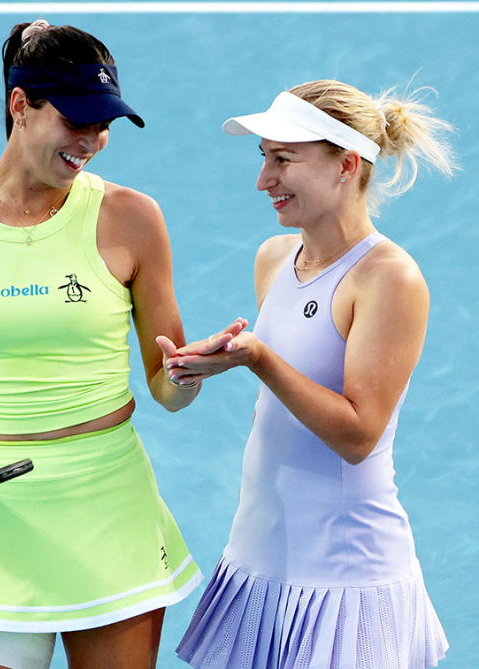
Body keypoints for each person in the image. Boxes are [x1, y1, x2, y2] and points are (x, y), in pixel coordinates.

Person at [0, 19, 242, 669]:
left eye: (104, 123)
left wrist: (189, 372)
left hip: (109, 516)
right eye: (77, 119)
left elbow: (166, 385)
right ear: (21, 105)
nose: (94, 140)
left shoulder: (131, 218)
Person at [171, 80, 453, 668]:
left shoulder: (388, 279)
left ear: (346, 165)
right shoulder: (274, 258)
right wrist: (196, 370)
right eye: (263, 158)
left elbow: (358, 435)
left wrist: (260, 359)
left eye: (284, 159)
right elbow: (277, 412)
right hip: (260, 563)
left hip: (345, 575)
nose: (263, 179)